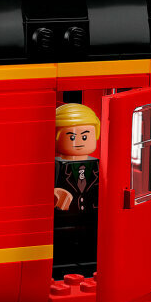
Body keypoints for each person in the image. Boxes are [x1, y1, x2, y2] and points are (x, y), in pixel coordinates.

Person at [53, 103, 100, 270]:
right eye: (72, 137)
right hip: (63, 217)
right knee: (64, 245)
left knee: (90, 243)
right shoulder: (56, 166)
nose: (79, 142)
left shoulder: (98, 166)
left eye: (85, 137)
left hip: (92, 216)